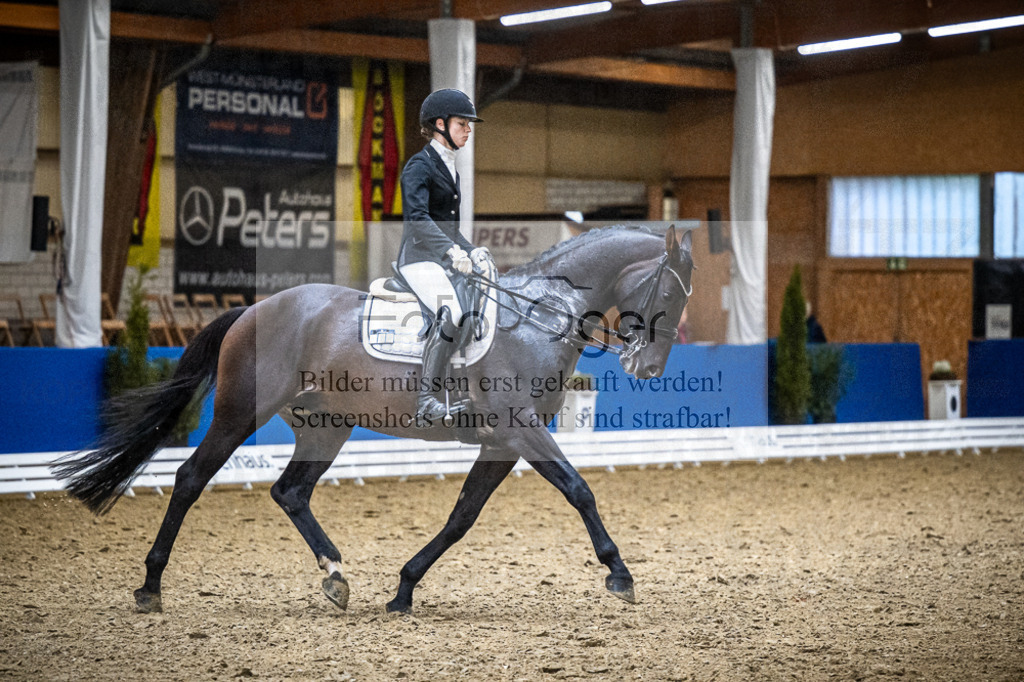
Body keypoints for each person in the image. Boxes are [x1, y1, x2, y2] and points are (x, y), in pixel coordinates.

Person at [398, 88, 489, 424]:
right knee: (451, 313)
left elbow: (450, 229)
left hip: (441, 259)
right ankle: (426, 401)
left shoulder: (452, 170)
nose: (468, 129)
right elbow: (418, 218)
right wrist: (451, 251)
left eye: (469, 124)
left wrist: (472, 250)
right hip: (418, 259)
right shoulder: (419, 166)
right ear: (440, 125)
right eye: (462, 123)